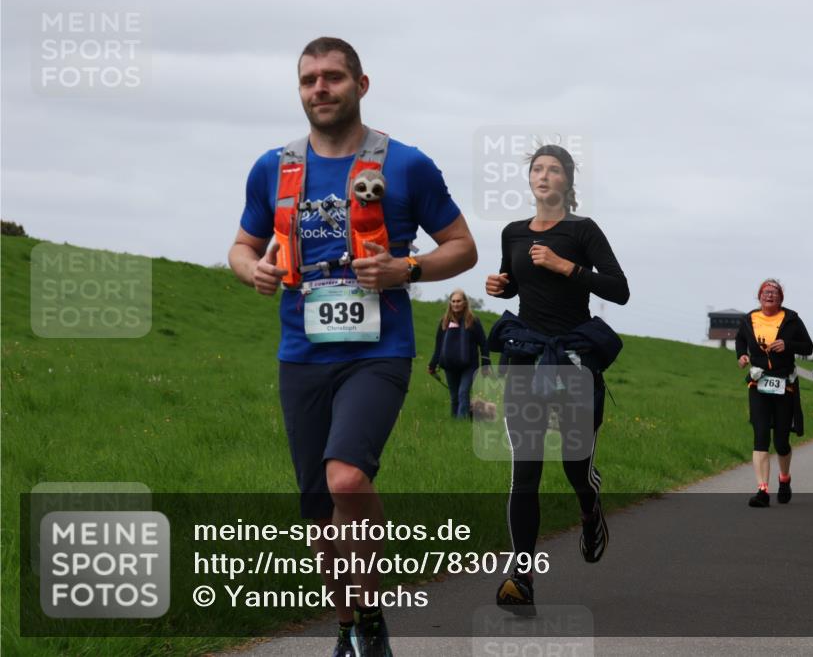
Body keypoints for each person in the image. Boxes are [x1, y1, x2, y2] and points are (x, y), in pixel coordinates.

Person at [228, 37, 477, 657]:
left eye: (333, 77)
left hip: (378, 350)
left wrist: (407, 269)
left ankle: (366, 613)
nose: (320, 88)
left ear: (360, 85)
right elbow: (241, 245)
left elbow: (462, 247)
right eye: (309, 79)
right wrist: (250, 270)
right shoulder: (273, 167)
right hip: (301, 355)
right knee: (319, 512)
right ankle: (352, 625)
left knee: (346, 479)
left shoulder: (407, 164)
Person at [484, 144, 629, 616]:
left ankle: (590, 510)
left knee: (573, 464)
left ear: (567, 181)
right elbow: (517, 280)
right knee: (525, 470)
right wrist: (503, 285)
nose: (544, 176)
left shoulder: (582, 231)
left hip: (571, 357)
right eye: (537, 169)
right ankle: (521, 578)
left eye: (554, 170)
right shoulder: (512, 232)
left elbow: (619, 289)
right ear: (530, 179)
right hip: (527, 355)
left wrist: (567, 266)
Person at [736, 279, 813, 508]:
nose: (769, 296)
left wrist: (787, 344)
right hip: (758, 384)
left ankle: (784, 479)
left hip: (784, 384)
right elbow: (740, 339)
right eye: (765, 292)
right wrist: (741, 355)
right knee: (760, 435)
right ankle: (762, 490)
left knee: (781, 440)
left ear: (781, 298)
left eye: (774, 293)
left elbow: (807, 347)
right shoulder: (749, 319)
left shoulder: (791, 319)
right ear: (759, 296)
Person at [428, 289, 491, 418]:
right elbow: (438, 346)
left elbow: (484, 344)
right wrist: (432, 365)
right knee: (454, 396)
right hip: (449, 365)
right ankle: (455, 424)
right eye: (453, 301)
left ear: (465, 303)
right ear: (450, 303)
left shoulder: (473, 321)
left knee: (463, 393)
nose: (456, 304)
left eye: (459, 301)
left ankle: (461, 421)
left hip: (470, 365)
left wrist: (485, 364)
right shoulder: (444, 322)